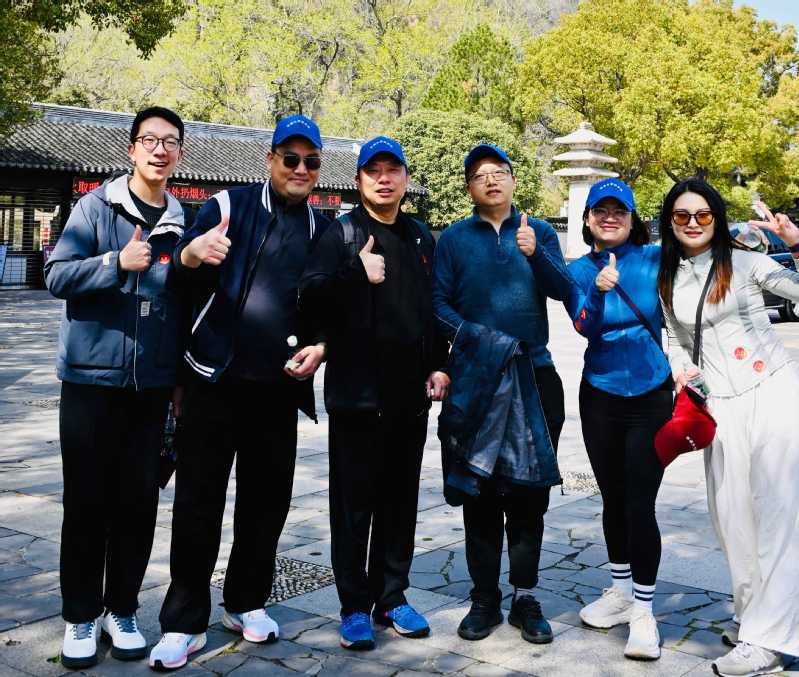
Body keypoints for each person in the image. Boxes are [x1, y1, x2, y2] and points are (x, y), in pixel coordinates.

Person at [148, 115, 331, 671]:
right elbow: (179, 285)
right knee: (198, 504)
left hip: (277, 388)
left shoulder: (323, 228)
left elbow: (327, 307)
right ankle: (182, 622)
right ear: (270, 160)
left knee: (266, 503)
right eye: (290, 158)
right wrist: (189, 254)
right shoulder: (227, 207)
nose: (299, 169)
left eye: (310, 162)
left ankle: (246, 601)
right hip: (213, 380)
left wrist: (321, 345)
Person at [45, 107, 191, 669]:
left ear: (180, 154)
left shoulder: (180, 220)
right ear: (132, 149)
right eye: (149, 140)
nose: (159, 150)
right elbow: (57, 274)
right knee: (87, 502)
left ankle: (122, 609)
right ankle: (81, 615)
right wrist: (115, 262)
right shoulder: (95, 208)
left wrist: (176, 380)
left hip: (150, 388)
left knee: (138, 502)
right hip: (91, 381)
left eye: (170, 142)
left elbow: (180, 306)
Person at [298, 136, 450, 650]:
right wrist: (354, 273)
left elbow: (430, 310)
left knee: (399, 502)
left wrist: (439, 364)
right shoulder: (341, 233)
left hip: (408, 395)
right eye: (373, 171)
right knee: (353, 506)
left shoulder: (420, 237)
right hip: (356, 395)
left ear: (405, 178)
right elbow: (309, 294)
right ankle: (352, 605)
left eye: (392, 170)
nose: (384, 179)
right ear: (358, 179)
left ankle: (392, 596)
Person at [657, 178, 799, 677]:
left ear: (716, 218)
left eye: (703, 214)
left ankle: (768, 640)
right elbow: (675, 337)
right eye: (682, 215)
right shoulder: (669, 275)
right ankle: (753, 619)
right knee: (732, 518)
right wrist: (681, 368)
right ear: (670, 222)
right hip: (720, 406)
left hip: (772, 391)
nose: (693, 223)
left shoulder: (747, 263)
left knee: (778, 516)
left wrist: (797, 246)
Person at [432, 143, 570, 645]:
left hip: (536, 373)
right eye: (480, 175)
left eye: (499, 172)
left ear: (513, 179)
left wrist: (537, 255)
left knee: (531, 494)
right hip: (477, 379)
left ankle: (525, 596)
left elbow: (564, 290)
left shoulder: (540, 232)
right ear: (469, 187)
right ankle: (484, 598)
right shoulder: (453, 239)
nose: (491, 180)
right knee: (480, 492)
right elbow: (436, 302)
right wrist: (478, 339)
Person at [566, 178, 672, 660]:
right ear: (588, 219)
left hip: (651, 394)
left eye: (619, 211)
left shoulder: (653, 259)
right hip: (600, 395)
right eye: (601, 211)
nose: (610, 218)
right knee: (613, 497)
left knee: (639, 502)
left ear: (633, 219)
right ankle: (621, 590)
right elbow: (583, 326)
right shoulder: (577, 270)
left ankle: (644, 612)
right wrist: (596, 292)